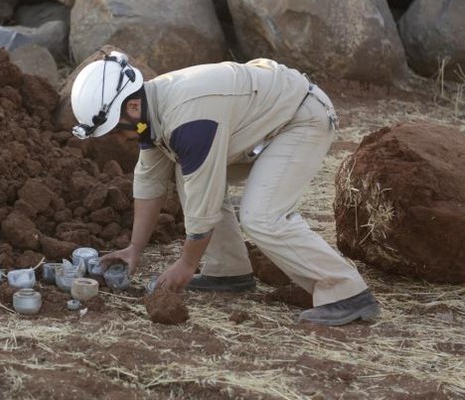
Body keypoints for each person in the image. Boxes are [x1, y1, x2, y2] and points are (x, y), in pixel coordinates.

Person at [70, 51, 380, 326]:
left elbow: (202, 202)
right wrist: (134, 250)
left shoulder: (188, 121)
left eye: (114, 130)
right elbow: (149, 182)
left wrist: (187, 264)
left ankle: (345, 291)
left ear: (133, 106)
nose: (117, 139)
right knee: (184, 171)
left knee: (261, 216)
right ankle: (228, 271)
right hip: (264, 122)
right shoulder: (151, 110)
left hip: (300, 120)